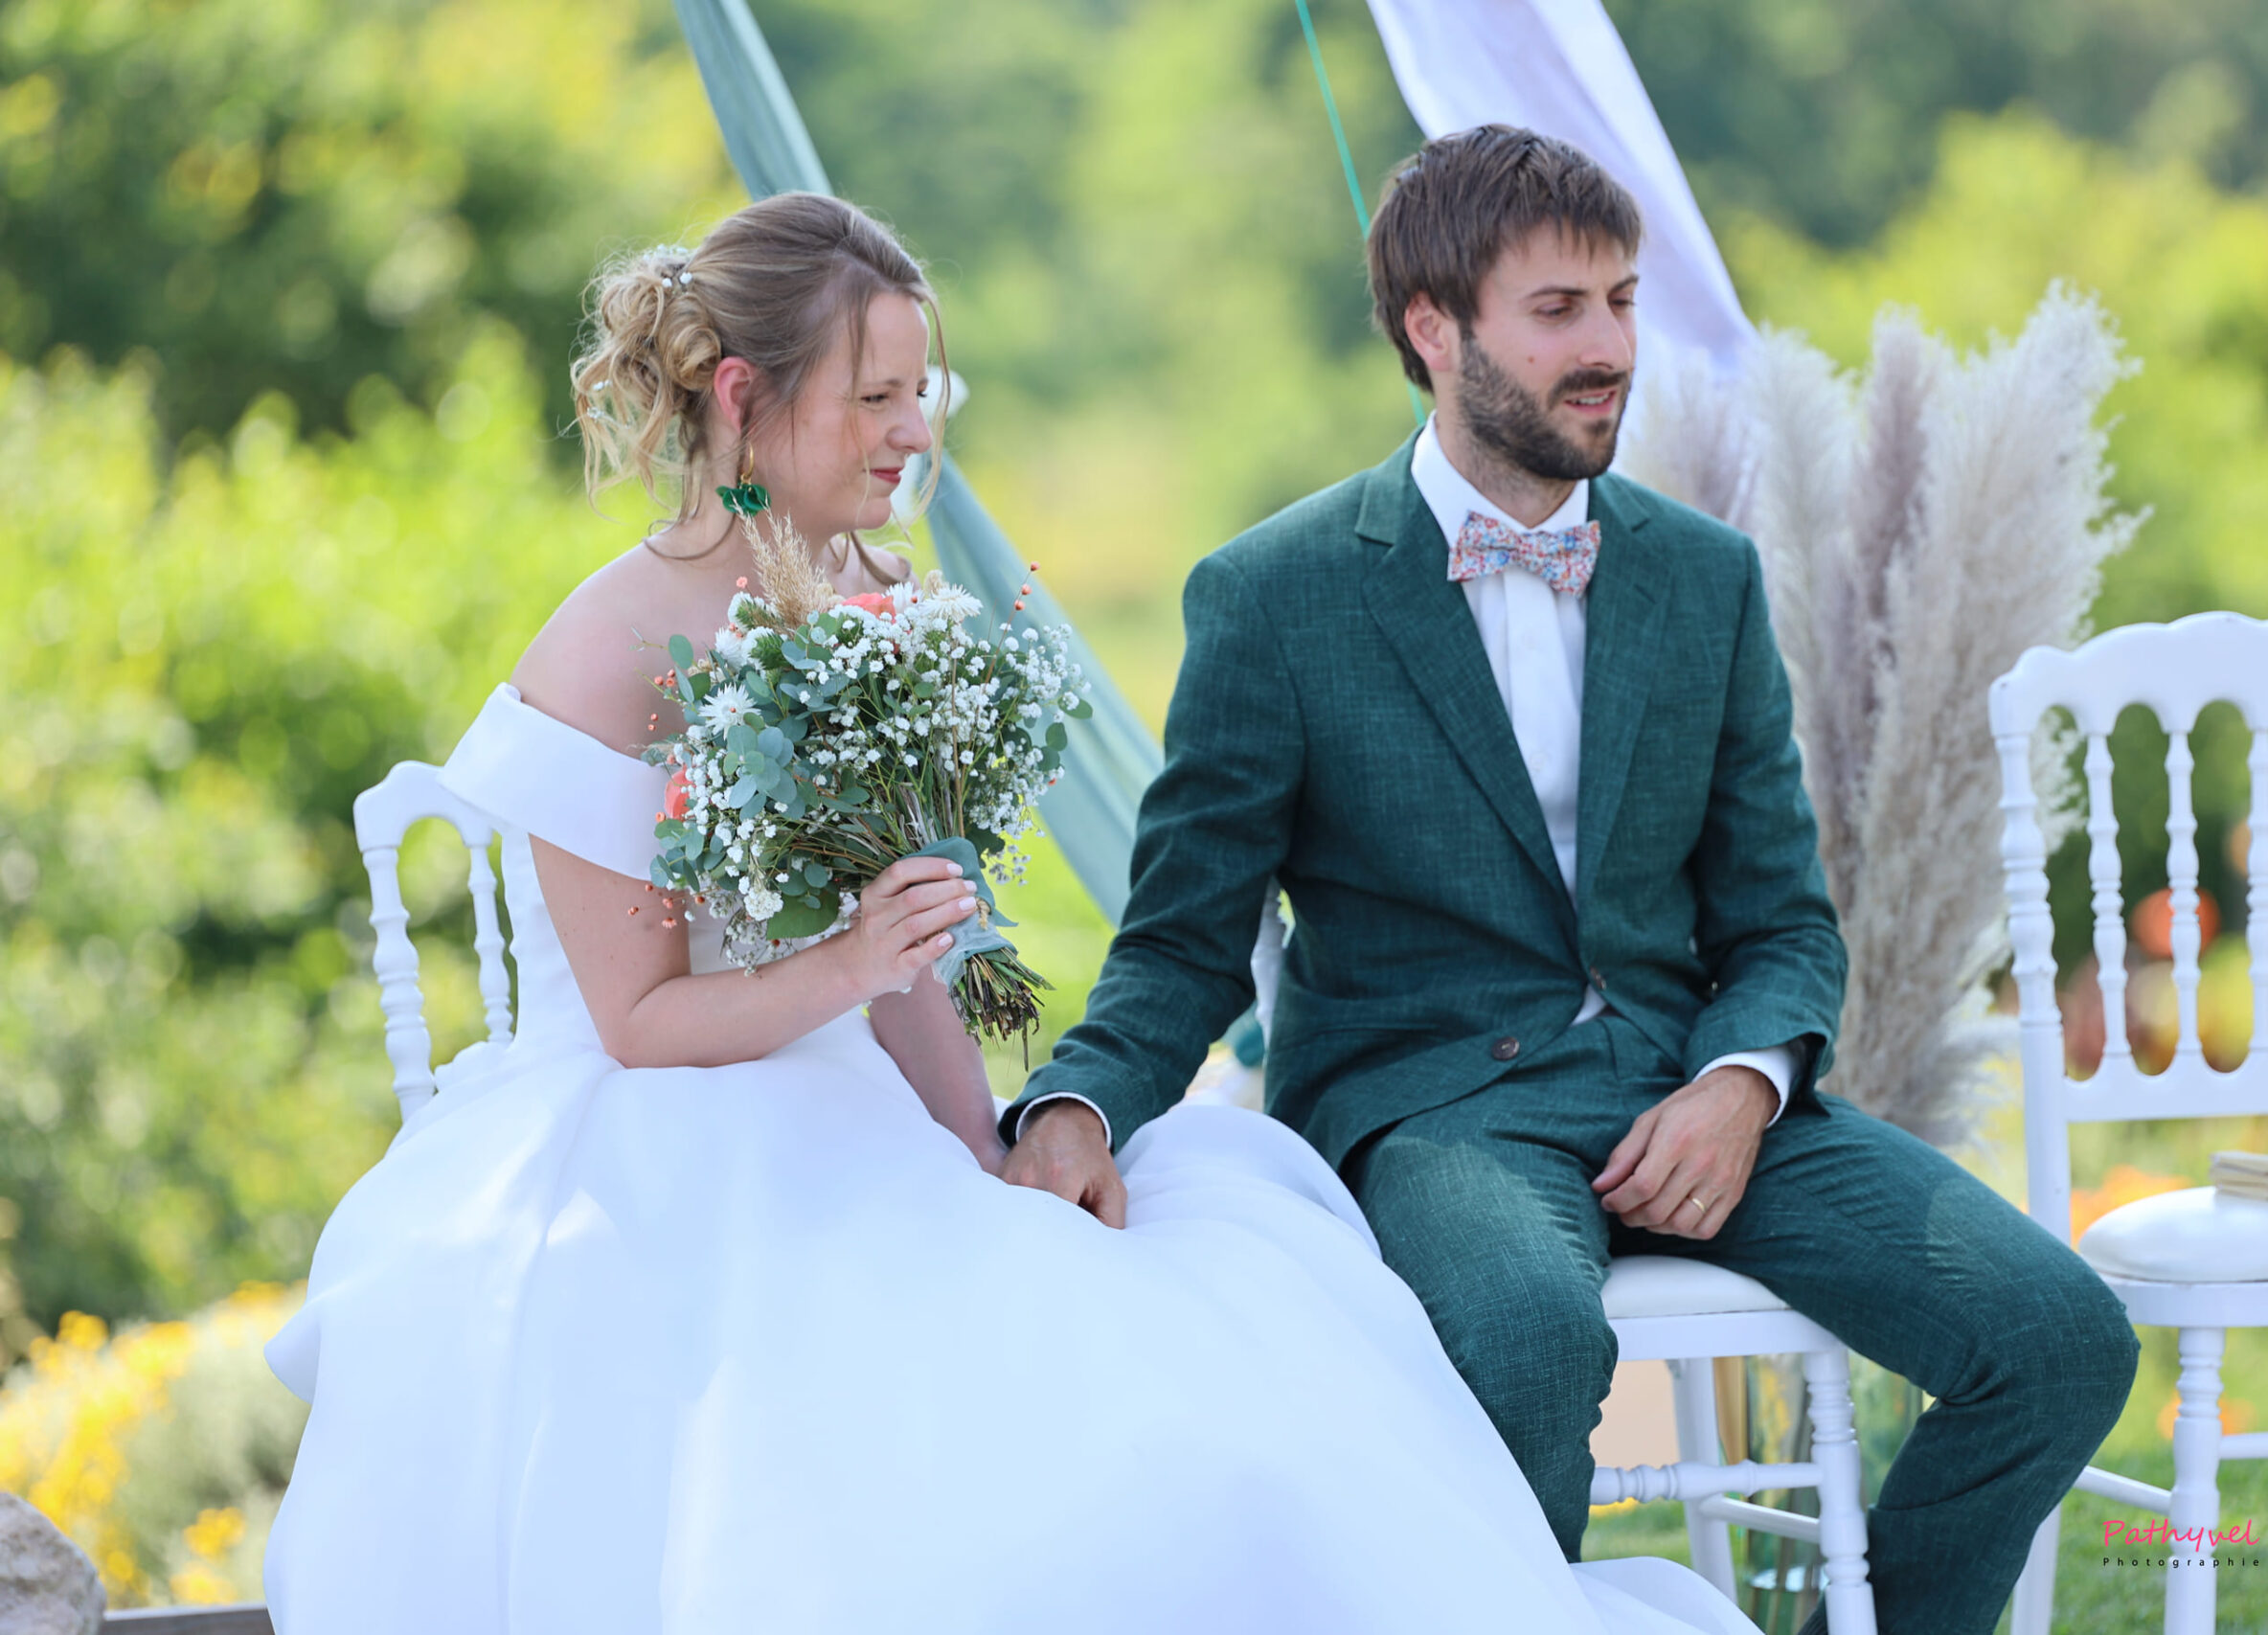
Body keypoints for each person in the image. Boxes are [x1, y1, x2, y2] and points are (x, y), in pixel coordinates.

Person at [261, 190, 1758, 1635]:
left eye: (921, 392)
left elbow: (905, 952)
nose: (916, 433)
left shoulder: (871, 589)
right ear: (742, 396)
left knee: (1186, 1336)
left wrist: (982, 1143)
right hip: (665, 1131)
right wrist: (856, 962)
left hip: (859, 1100)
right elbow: (642, 1022)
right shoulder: (610, 652)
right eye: (877, 397)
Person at [999, 126, 2142, 1635]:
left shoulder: (1705, 576)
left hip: (1694, 1092)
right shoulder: (1274, 597)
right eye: (1558, 311)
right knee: (1529, 1340)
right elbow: (1184, 942)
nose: (1610, 348)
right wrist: (1076, 1105)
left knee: (2059, 1338)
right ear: (1434, 330)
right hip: (1436, 1112)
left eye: (1620, 301)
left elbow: (1781, 921)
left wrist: (1740, 1084)